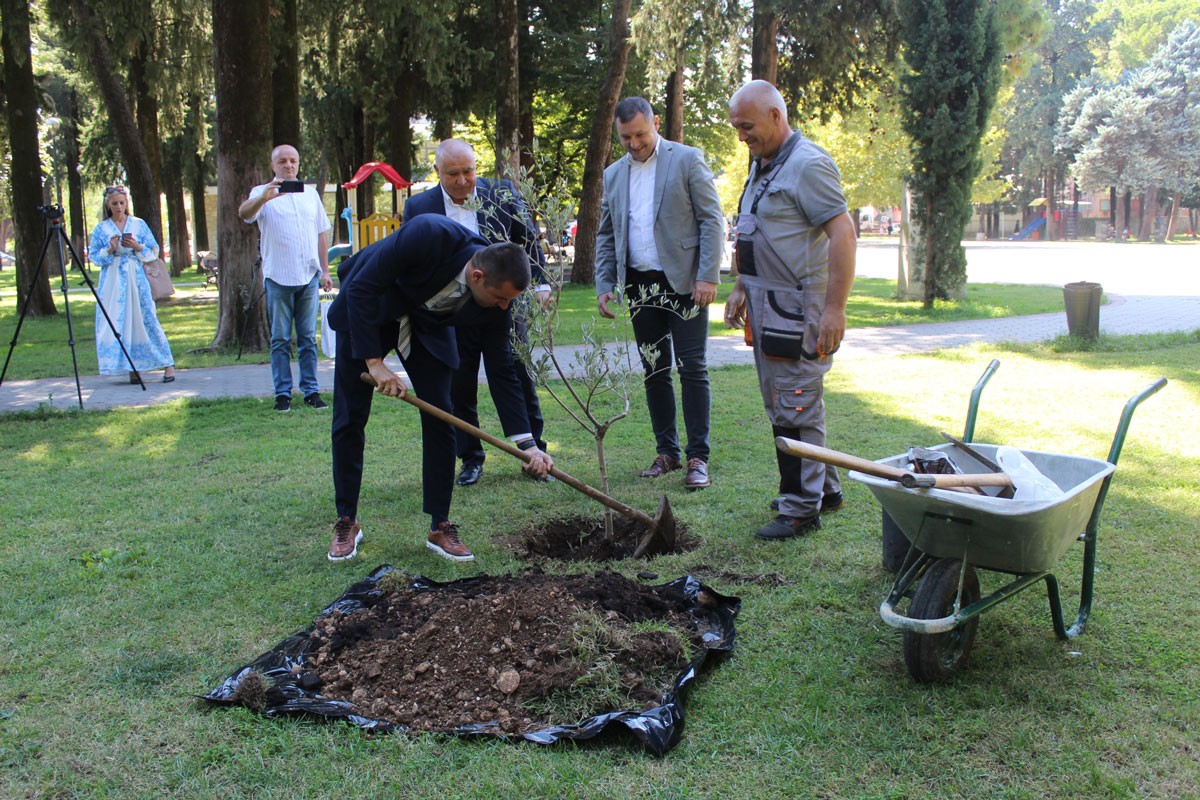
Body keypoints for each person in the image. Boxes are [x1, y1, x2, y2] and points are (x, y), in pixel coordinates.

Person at [326, 214, 554, 563]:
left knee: (442, 419)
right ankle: (347, 520)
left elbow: (503, 369)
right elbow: (360, 287)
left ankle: (440, 525)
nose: (504, 307)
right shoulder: (428, 234)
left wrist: (528, 445)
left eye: (509, 300)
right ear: (477, 277)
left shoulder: (498, 298)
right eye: (500, 298)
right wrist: (373, 362)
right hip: (371, 308)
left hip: (427, 327)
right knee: (349, 417)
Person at [723, 80, 857, 540]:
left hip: (798, 310)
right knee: (785, 401)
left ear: (776, 116)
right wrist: (742, 285)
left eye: (748, 126)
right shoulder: (763, 165)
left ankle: (801, 508)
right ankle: (826, 490)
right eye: (737, 127)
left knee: (796, 403)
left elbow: (843, 234)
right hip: (766, 305)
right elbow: (757, 230)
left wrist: (834, 310)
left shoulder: (808, 165)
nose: (742, 135)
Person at [595, 97, 726, 490]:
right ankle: (666, 452)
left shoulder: (687, 159)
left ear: (655, 123)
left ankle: (697, 457)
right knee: (655, 371)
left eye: (640, 134)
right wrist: (605, 283)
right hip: (639, 284)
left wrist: (708, 276)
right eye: (625, 138)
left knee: (693, 368)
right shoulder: (614, 174)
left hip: (686, 283)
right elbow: (606, 233)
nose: (634, 144)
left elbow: (711, 219)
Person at [403, 139, 551, 487]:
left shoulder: (500, 192)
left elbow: (527, 238)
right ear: (437, 172)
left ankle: (533, 451)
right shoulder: (419, 206)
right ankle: (471, 457)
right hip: (455, 310)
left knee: (514, 372)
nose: (462, 180)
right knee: (460, 381)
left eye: (468, 171)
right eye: (452, 173)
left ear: (476, 168)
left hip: (502, 303)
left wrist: (541, 282)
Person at [238, 144, 333, 413]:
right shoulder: (262, 192)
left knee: (307, 339)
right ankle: (283, 394)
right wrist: (264, 198)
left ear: (298, 164)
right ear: (273, 165)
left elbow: (320, 234)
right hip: (278, 277)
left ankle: (311, 391)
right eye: (282, 161)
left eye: (293, 160)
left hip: (308, 277)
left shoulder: (310, 193)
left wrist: (324, 271)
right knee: (280, 339)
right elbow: (244, 214)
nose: (288, 165)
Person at [89, 185, 176, 384]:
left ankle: (168, 363)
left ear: (127, 203)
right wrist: (109, 249)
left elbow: (153, 250)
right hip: (113, 281)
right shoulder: (102, 228)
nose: (119, 207)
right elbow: (95, 256)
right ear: (108, 205)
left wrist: (137, 246)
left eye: (122, 203)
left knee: (146, 318)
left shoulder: (138, 224)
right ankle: (132, 367)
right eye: (114, 204)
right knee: (119, 321)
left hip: (136, 277)